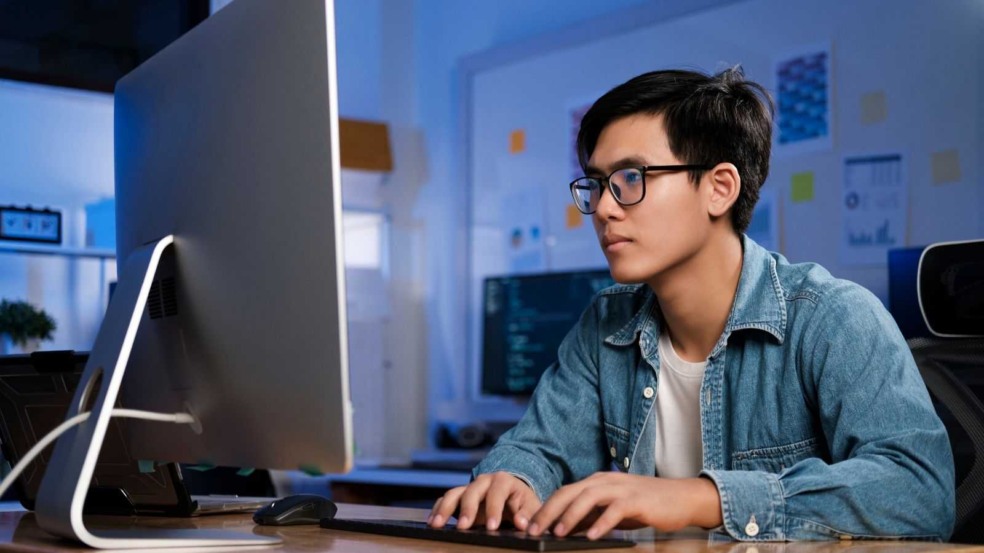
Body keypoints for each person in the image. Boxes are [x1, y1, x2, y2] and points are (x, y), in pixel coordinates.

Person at [428, 67, 955, 541]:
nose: (604, 209)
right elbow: (539, 448)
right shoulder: (605, 323)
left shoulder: (834, 317)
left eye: (631, 179)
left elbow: (919, 490)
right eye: (596, 183)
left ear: (720, 188)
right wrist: (512, 479)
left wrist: (696, 498)